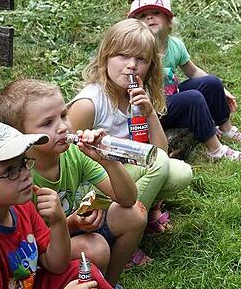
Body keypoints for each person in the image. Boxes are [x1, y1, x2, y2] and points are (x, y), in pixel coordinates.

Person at [0, 79, 149, 286]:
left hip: (66, 229)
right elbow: (30, 245)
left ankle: (109, 283)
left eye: (63, 115)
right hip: (40, 252)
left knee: (134, 215)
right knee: (96, 248)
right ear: (20, 135)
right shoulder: (20, 176)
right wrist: (72, 223)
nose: (62, 127)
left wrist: (107, 161)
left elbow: (128, 198)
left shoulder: (73, 153)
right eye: (47, 123)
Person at [67, 19, 193, 235]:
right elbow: (67, 158)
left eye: (141, 59)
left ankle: (139, 217)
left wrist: (150, 113)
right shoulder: (89, 104)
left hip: (127, 171)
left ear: (151, 66)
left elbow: (159, 152)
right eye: (122, 55)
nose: (132, 65)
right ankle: (119, 230)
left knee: (182, 172)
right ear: (105, 57)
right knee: (160, 163)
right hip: (94, 181)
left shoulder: (137, 95)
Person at [0, 120, 112, 288]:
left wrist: (58, 222)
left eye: (24, 163)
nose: (26, 174)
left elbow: (56, 264)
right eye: (10, 171)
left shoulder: (20, 206)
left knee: (83, 272)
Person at [128, 0, 241, 162]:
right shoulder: (136, 51)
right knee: (193, 98)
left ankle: (226, 128)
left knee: (212, 82)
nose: (149, 17)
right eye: (142, 15)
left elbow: (193, 71)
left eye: (156, 12)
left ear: (169, 21)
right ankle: (215, 150)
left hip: (170, 98)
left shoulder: (175, 45)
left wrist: (221, 89)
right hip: (152, 109)